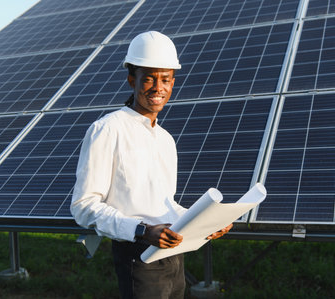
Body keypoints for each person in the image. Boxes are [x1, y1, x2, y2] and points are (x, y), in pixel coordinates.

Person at [70, 31, 232, 299]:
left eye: (166, 79)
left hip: (173, 256)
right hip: (139, 257)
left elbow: (164, 205)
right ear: (132, 79)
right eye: (149, 78)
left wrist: (205, 223)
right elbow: (84, 207)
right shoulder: (108, 129)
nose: (158, 87)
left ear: (173, 83)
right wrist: (142, 231)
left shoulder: (166, 139)